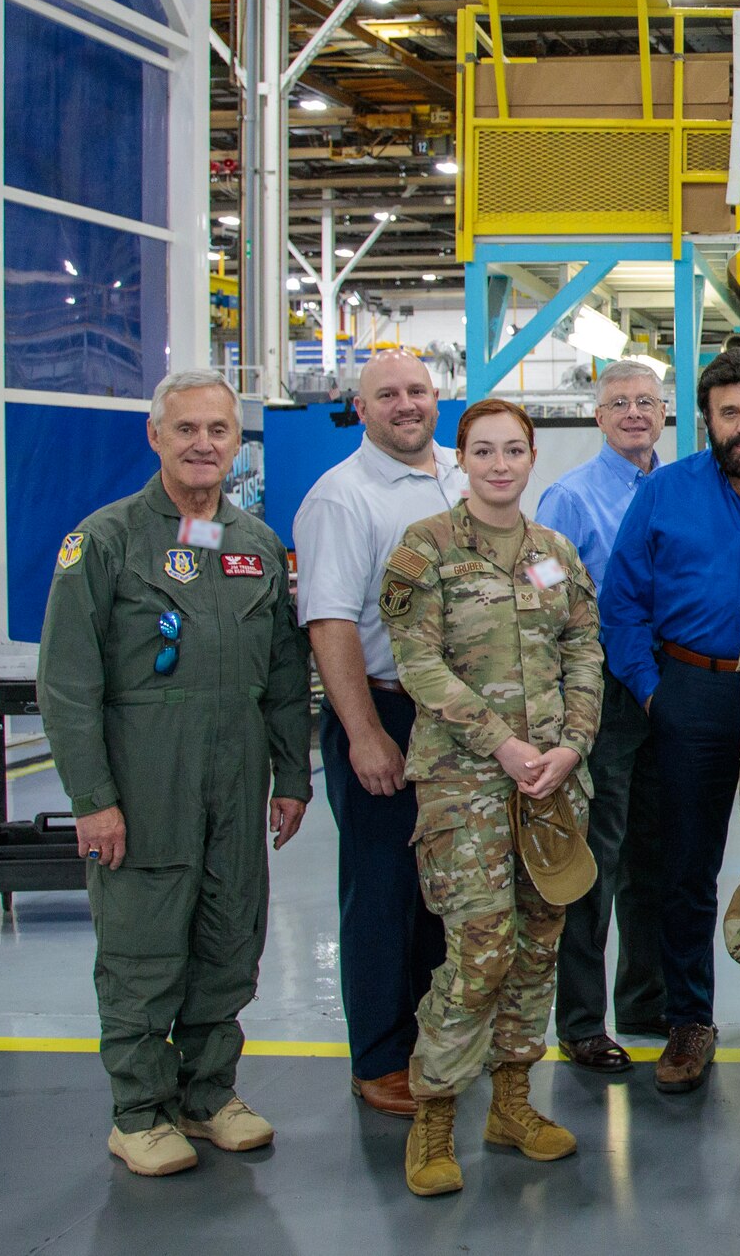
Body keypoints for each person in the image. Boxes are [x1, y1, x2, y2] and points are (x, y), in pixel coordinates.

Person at [39, 370, 310, 1177]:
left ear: (237, 442)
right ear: (155, 436)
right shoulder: (107, 540)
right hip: (145, 781)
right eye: (186, 428)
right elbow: (67, 684)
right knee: (143, 947)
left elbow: (286, 674)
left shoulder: (256, 545)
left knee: (230, 937)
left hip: (236, 780)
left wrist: (291, 775)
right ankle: (139, 1110)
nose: (202, 444)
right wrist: (93, 799)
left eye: (218, 430)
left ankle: (206, 1093)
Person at [384, 398, 604, 1197]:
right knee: (480, 950)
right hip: (467, 785)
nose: (501, 464)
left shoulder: (555, 552)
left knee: (539, 943)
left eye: (514, 450)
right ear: (463, 459)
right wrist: (501, 741)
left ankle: (511, 1101)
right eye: (485, 450)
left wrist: (571, 742)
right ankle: (435, 1112)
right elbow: (419, 663)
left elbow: (585, 644)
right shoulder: (428, 550)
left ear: (532, 456)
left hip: (550, 785)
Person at [601, 348, 740, 1094]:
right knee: (684, 867)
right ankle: (688, 1018)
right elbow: (622, 601)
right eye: (729, 413)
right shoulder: (665, 492)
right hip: (691, 691)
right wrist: (653, 690)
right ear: (708, 420)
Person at [294, 350, 464, 1117]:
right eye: (386, 394)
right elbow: (329, 622)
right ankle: (379, 1057)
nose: (406, 404)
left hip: (458, 718)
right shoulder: (342, 497)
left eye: (418, 391)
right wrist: (363, 732)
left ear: (439, 399)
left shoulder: (463, 474)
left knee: (444, 891)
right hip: (384, 707)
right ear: (359, 409)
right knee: (383, 890)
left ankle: (434, 1041)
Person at [535, 360, 669, 1071]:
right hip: (603, 694)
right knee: (597, 860)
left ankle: (647, 999)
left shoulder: (678, 489)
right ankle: (583, 1020)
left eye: (646, 401)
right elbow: (544, 600)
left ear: (664, 410)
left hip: (668, 688)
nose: (634, 413)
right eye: (619, 402)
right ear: (598, 414)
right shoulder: (569, 499)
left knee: (658, 853)